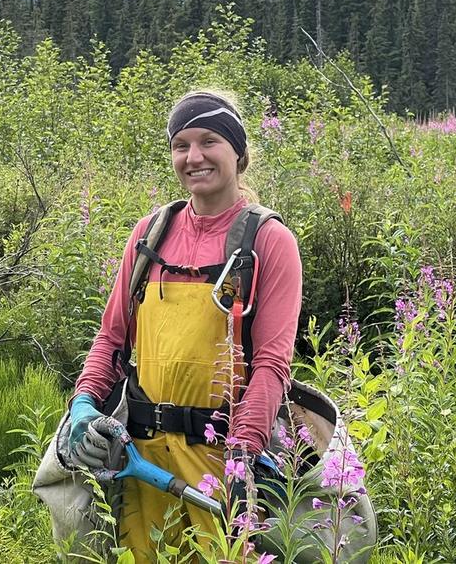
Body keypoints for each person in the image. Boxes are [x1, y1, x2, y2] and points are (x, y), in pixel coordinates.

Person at [67, 89, 303, 558]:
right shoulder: (149, 234)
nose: (194, 157)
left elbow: (272, 365)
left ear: (238, 150)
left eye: (209, 141)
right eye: (181, 145)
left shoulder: (269, 241)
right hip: (141, 461)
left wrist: (243, 455)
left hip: (221, 459)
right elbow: (112, 338)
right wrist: (83, 404)